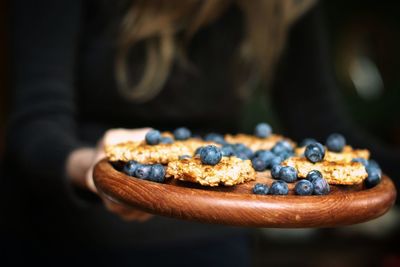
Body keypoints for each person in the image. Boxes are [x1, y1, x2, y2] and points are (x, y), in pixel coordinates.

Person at [4, 0, 399, 265]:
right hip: (70, 237)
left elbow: (327, 133)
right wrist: (92, 167)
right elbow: (35, 126)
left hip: (214, 242)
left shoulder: (286, 7)